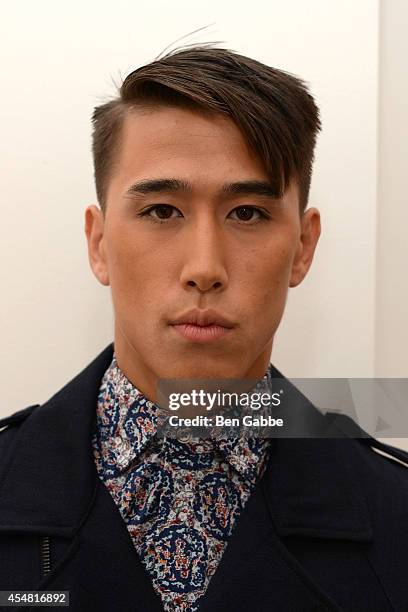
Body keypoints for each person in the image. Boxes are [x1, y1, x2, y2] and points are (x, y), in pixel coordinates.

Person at [0, 45, 407, 612]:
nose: (205, 270)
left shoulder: (396, 511)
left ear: (302, 248)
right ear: (99, 244)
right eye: (162, 211)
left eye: (248, 213)